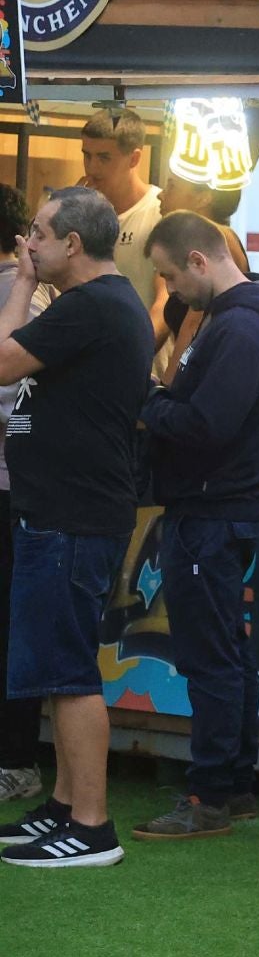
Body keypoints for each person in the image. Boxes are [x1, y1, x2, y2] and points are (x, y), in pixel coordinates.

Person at [131, 212, 259, 840]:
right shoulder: (241, 325)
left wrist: (147, 399)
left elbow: (206, 426)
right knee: (224, 653)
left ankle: (209, 795)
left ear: (200, 261)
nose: (171, 291)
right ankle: (233, 784)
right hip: (216, 509)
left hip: (212, 510)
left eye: (172, 277)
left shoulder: (240, 331)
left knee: (211, 659)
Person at [0, 188, 154, 868]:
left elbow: (2, 361)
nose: (25, 245)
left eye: (37, 234)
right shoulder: (93, 306)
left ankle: (91, 826)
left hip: (73, 515)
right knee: (57, 669)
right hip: (62, 511)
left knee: (68, 674)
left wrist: (24, 284)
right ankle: (64, 807)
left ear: (72, 244)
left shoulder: (93, 305)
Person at [0, 185, 51, 806]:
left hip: (17, 485)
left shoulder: (28, 296)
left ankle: (16, 759)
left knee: (15, 622)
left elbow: (17, 387)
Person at [155, 173, 249, 382]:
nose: (160, 195)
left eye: (172, 186)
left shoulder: (209, 240)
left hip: (209, 378)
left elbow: (193, 326)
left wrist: (167, 389)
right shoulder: (196, 241)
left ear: (203, 197)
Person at [78, 108, 165, 318]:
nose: (92, 168)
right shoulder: (82, 213)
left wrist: (140, 348)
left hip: (142, 347)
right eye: (87, 156)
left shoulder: (161, 211)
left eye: (104, 158)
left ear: (134, 159)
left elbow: (165, 300)